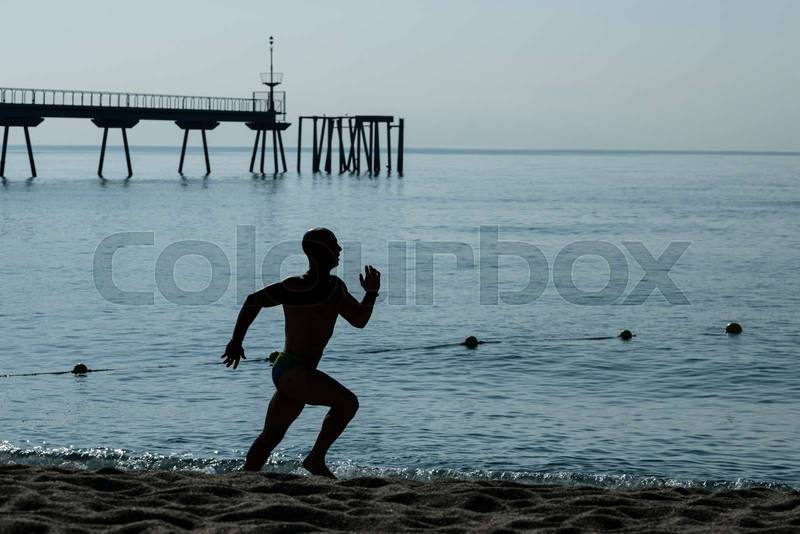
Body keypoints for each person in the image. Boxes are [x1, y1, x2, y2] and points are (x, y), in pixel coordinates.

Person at [221, 228, 380, 478]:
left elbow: (358, 320)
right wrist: (235, 341)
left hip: (300, 373)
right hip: (291, 369)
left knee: (271, 436)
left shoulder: (336, 288)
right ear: (317, 252)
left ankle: (244, 478)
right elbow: (254, 300)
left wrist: (370, 294)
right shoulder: (296, 286)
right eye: (333, 245)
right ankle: (315, 459)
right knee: (347, 403)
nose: (339, 250)